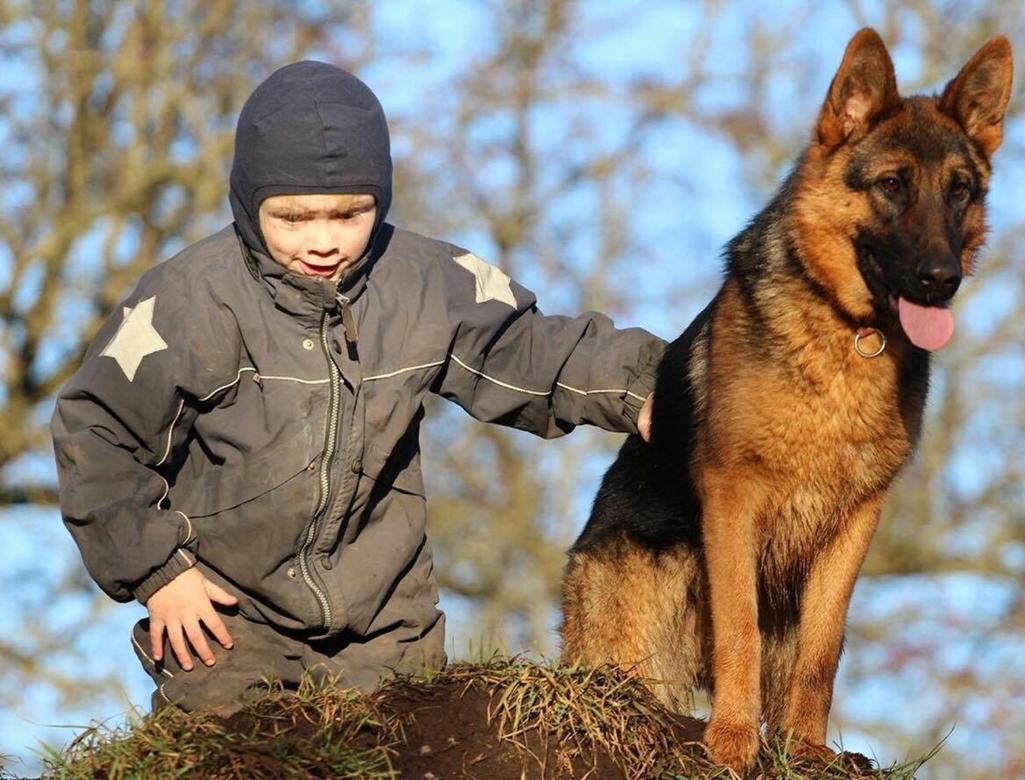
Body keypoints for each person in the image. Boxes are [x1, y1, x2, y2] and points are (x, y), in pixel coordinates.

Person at [51, 60, 663, 715]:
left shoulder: (428, 284)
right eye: (292, 217)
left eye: (348, 215)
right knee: (237, 751)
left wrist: (657, 388)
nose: (321, 241)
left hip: (385, 623)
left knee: (409, 748)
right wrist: (158, 572)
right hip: (228, 618)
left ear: (382, 198)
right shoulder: (187, 302)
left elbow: (532, 351)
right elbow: (99, 433)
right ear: (250, 203)